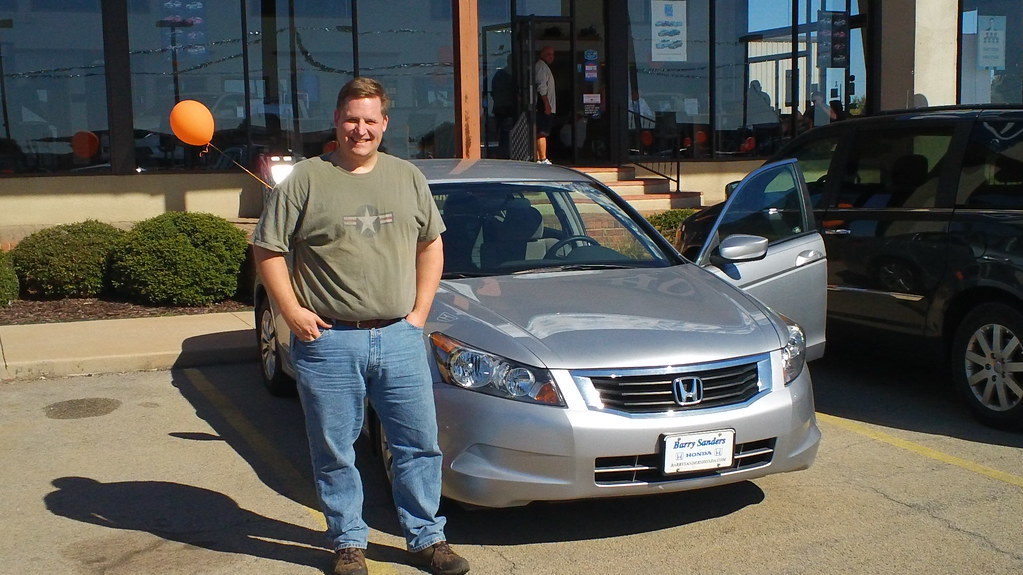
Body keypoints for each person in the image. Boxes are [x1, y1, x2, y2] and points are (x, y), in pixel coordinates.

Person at [251, 77, 469, 575]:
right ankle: (348, 541)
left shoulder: (406, 177)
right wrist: (291, 311)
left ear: (384, 124)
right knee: (334, 449)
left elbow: (431, 244)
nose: (361, 129)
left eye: (371, 120)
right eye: (352, 119)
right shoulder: (306, 179)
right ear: (336, 120)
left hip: (398, 336)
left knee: (417, 443)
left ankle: (426, 538)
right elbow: (268, 249)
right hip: (328, 342)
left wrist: (418, 314)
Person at [534, 45, 556, 164]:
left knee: (542, 132)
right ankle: (543, 158)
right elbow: (541, 87)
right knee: (542, 132)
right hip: (544, 106)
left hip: (547, 105)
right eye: (548, 54)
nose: (551, 57)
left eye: (552, 54)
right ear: (542, 54)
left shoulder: (544, 67)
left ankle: (539, 158)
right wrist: (546, 104)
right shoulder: (541, 67)